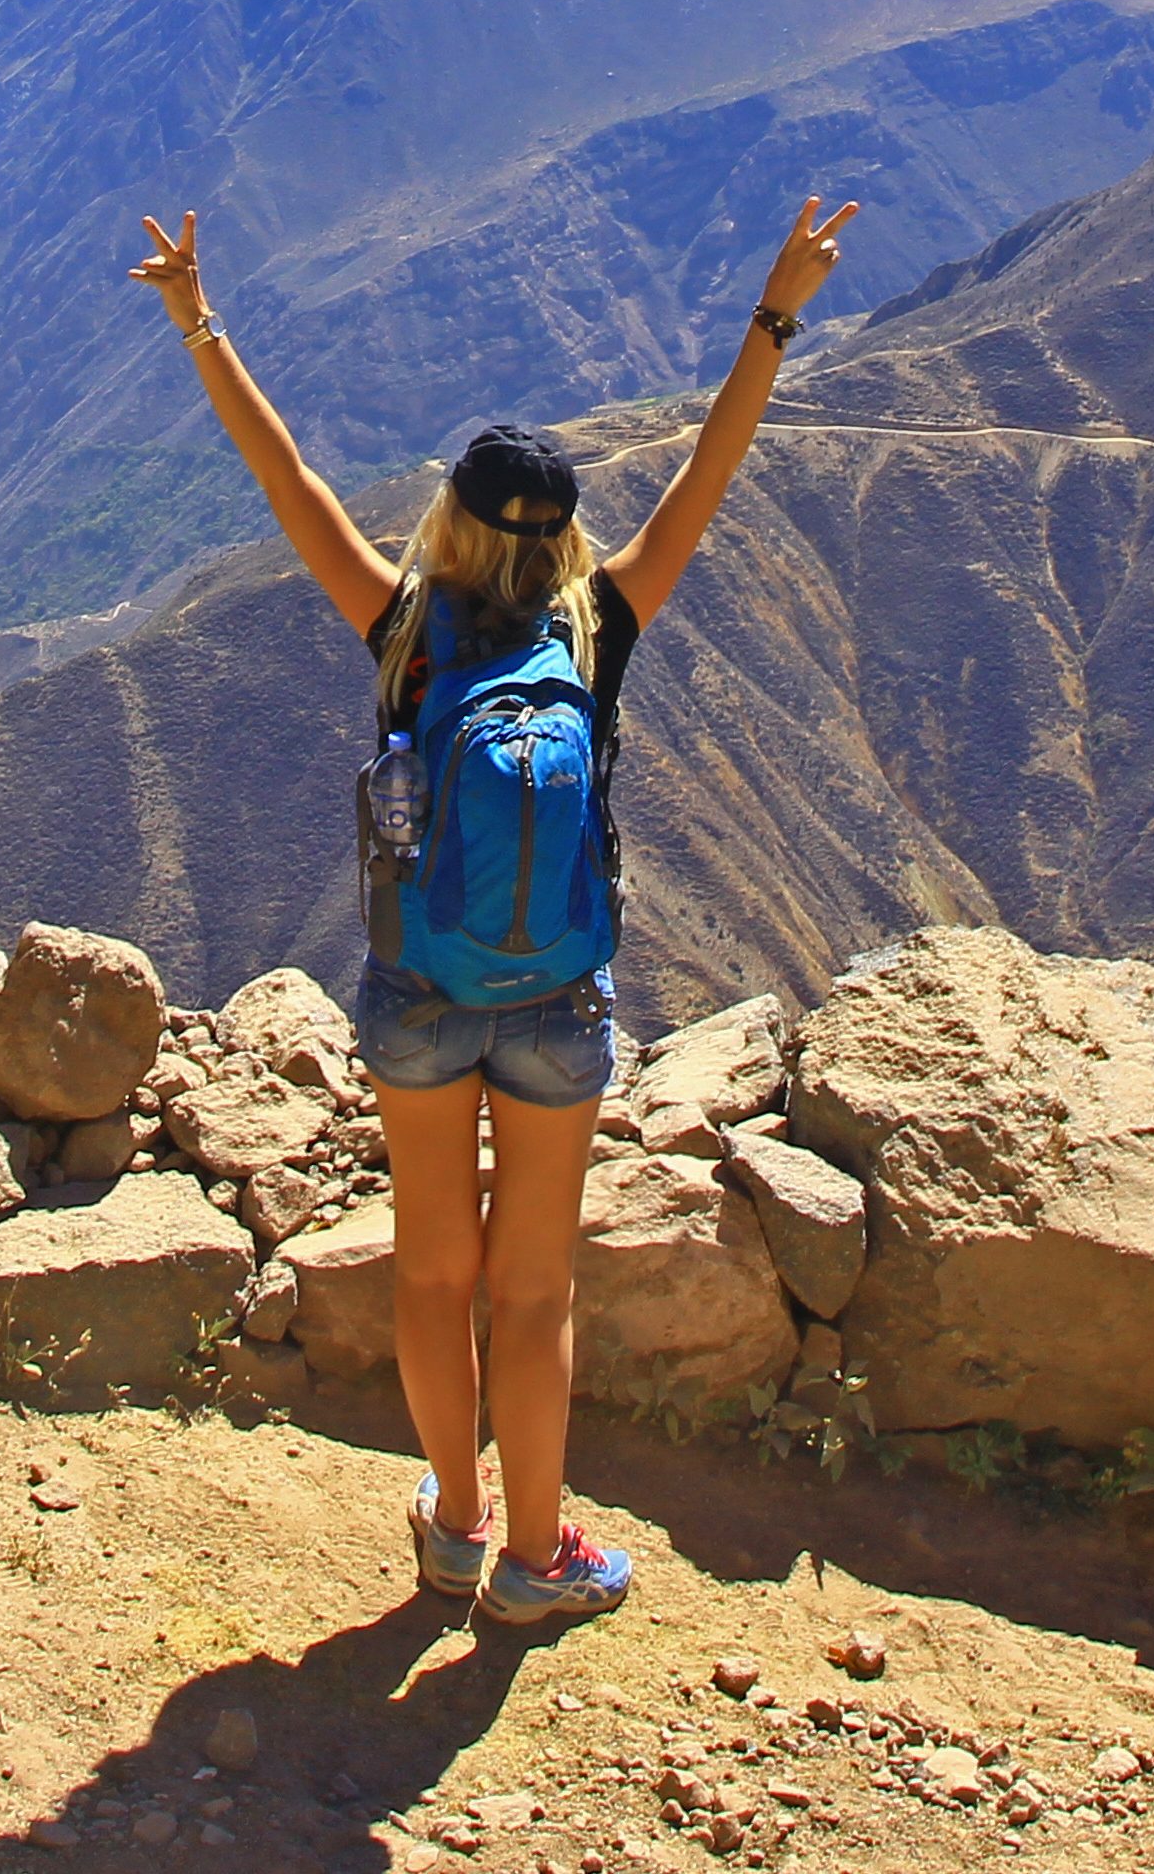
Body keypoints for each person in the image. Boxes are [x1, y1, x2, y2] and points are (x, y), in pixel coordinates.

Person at [127, 197, 857, 1629]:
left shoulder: (404, 626)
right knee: (532, 1292)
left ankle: (453, 1527)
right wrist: (777, 313)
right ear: (568, 532)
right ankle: (537, 1557)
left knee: (430, 1272)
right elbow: (711, 469)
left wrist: (199, 324)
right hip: (558, 1002)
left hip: (418, 990)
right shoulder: (601, 626)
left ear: (450, 521)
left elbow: (286, 481)